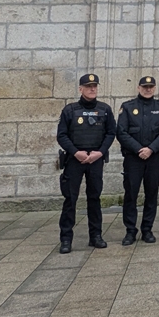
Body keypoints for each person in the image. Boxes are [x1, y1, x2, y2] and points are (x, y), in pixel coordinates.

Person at [56, 73, 116, 253]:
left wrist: (100, 152)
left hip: (95, 159)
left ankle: (96, 236)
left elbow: (111, 133)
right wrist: (76, 152)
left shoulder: (105, 109)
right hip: (75, 160)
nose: (92, 89)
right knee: (70, 200)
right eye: (88, 86)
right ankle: (66, 239)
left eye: (95, 86)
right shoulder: (70, 110)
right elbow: (62, 135)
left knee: (94, 198)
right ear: (80, 88)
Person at [117, 75, 159, 245]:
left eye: (151, 87)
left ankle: (147, 229)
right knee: (131, 194)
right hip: (134, 158)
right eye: (144, 86)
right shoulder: (127, 107)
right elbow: (122, 132)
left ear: (154, 88)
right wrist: (139, 149)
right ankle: (130, 231)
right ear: (138, 88)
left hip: (153, 158)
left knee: (151, 194)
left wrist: (151, 149)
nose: (148, 89)